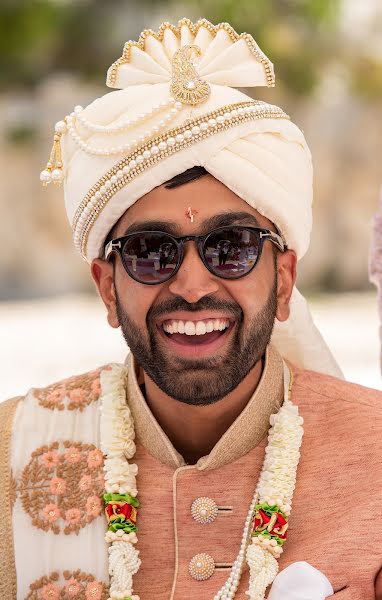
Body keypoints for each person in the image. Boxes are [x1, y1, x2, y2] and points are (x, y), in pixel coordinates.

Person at [1, 18, 381, 600]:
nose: (194, 284)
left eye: (231, 248)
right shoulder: (13, 454)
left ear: (283, 279)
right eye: (152, 253)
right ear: (107, 287)